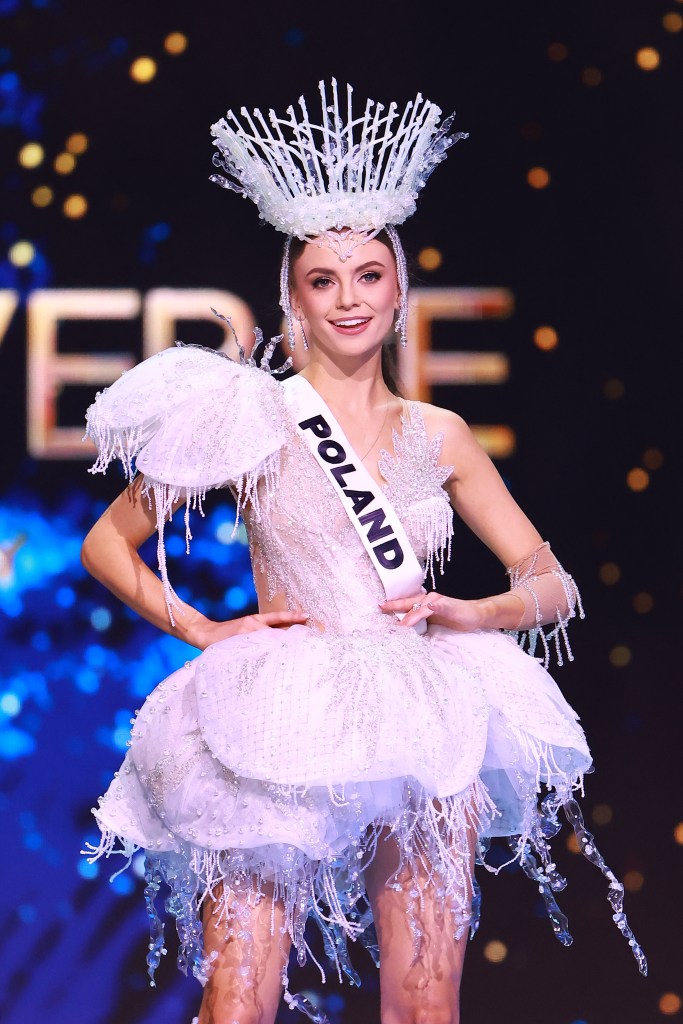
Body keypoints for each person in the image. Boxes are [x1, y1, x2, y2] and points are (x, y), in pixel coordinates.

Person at [81, 81, 645, 1024]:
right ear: (292, 298)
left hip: (417, 707)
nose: (348, 300)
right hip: (274, 712)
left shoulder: (439, 432)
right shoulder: (251, 413)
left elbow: (549, 584)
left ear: (398, 288)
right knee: (238, 998)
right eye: (322, 281)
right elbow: (108, 543)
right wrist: (206, 629)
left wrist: (470, 613)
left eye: (368, 276)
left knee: (424, 1002)